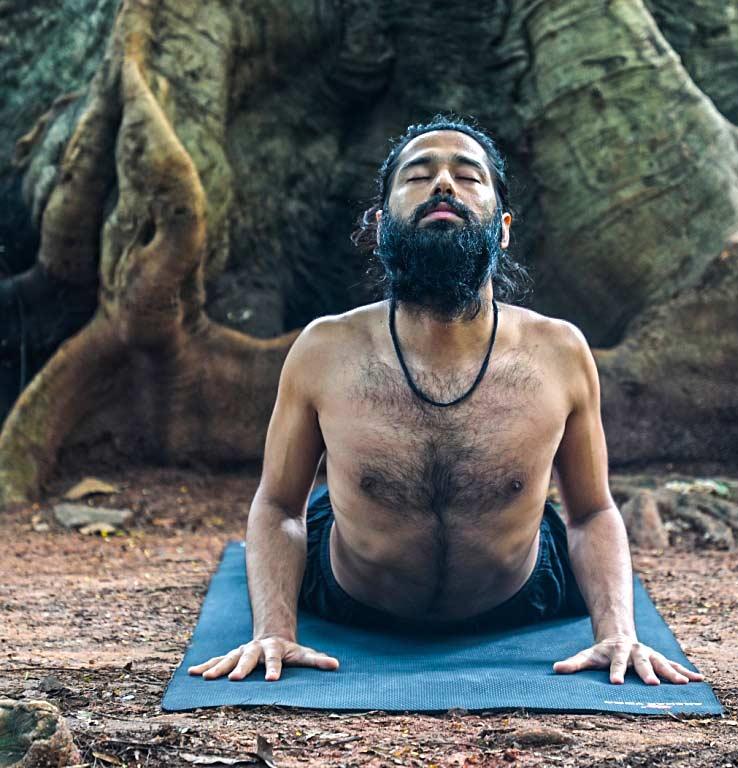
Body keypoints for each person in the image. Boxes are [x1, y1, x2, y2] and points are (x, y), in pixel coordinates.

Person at [188, 115, 704, 688]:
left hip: (525, 592)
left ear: (503, 227)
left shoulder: (559, 352)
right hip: (348, 593)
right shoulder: (323, 349)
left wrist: (617, 632)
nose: (443, 185)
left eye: (467, 175)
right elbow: (280, 506)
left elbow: (591, 512)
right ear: (383, 226)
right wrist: (274, 630)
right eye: (418, 175)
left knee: (552, 522)